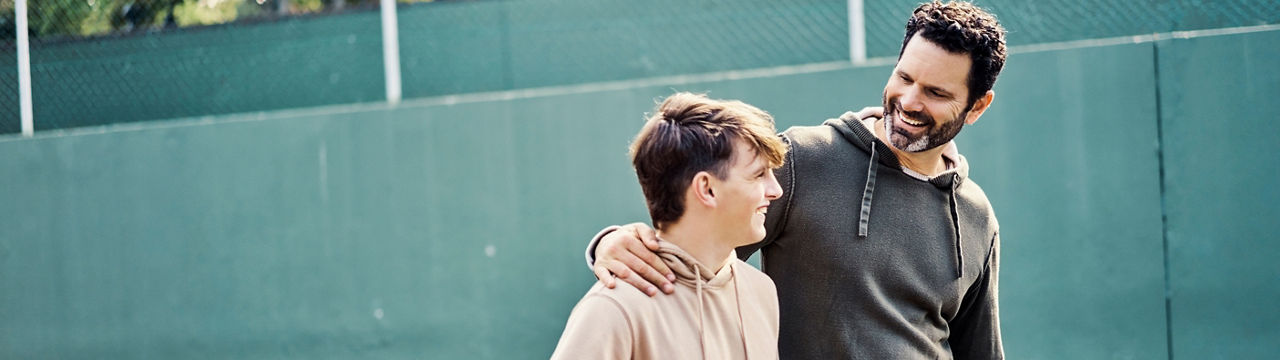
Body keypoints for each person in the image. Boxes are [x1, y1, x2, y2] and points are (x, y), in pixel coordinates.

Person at [584, 1, 1008, 358]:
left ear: (977, 106)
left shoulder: (974, 214)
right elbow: (693, 251)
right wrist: (610, 242)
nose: (910, 101)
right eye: (904, 77)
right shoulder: (804, 159)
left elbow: (979, 350)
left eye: (936, 93)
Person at [551, 92, 789, 359]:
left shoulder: (761, 292)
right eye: (758, 175)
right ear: (707, 189)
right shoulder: (613, 309)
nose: (776, 190)